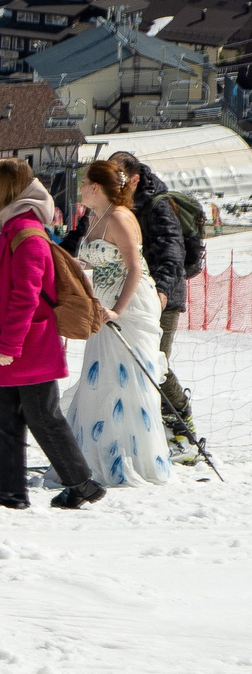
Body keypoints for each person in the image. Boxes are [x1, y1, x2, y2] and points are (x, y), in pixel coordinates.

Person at [0, 157, 103, 510]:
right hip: (19, 342)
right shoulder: (13, 225)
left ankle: (82, 483)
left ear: (7, 187)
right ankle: (11, 491)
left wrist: (11, 344)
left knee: (43, 415)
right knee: (6, 417)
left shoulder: (25, 230)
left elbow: (27, 294)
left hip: (26, 342)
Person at [62, 161, 171, 487]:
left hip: (129, 303)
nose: (80, 187)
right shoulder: (93, 217)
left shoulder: (120, 218)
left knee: (124, 381)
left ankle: (130, 458)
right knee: (99, 377)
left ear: (97, 187)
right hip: (103, 301)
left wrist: (118, 311)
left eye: (84, 183)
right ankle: (95, 455)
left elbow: (135, 268)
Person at [108, 150, 204, 460]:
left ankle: (182, 428)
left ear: (134, 179)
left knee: (155, 361)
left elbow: (172, 253)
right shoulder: (115, 205)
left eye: (118, 176)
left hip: (161, 297)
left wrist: (161, 292)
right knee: (130, 361)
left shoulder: (158, 206)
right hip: (130, 295)